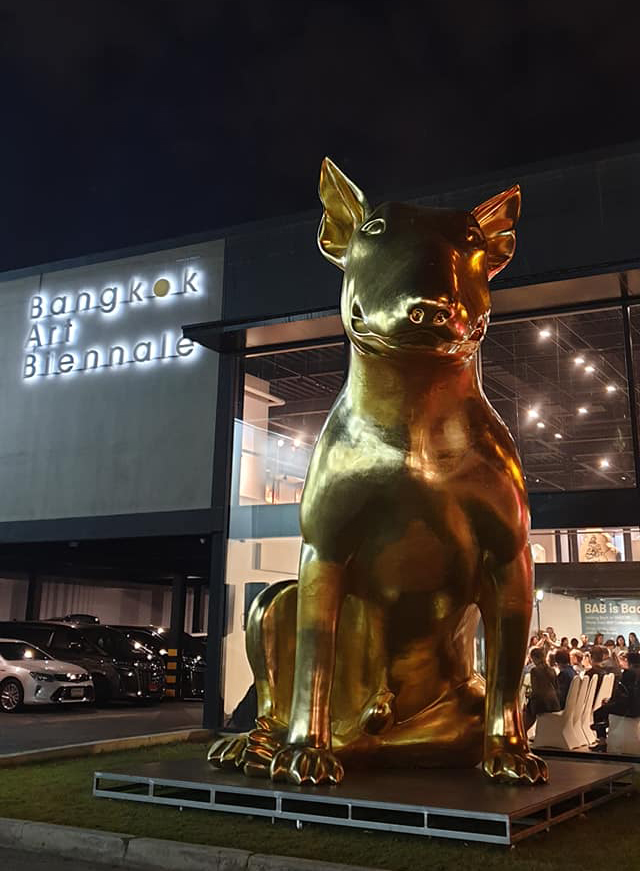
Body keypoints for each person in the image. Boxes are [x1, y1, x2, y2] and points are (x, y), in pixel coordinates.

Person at [592, 652, 640, 747]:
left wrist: (609, 701)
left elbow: (621, 695)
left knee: (598, 713)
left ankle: (602, 740)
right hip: (636, 707)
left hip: (627, 708)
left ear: (629, 661)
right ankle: (605, 724)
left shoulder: (628, 673)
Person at [523, 647, 561, 731]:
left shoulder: (534, 671)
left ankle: (523, 732)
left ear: (534, 658)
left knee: (525, 712)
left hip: (541, 704)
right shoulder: (552, 670)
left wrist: (528, 696)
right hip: (554, 704)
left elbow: (536, 691)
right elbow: (557, 688)